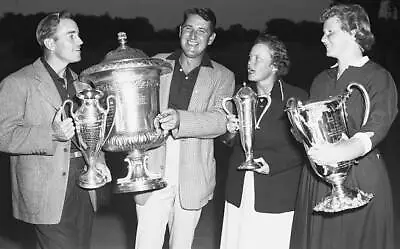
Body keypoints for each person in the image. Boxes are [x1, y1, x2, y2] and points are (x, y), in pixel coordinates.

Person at [289, 4, 397, 249]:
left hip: (361, 176)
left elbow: (379, 123)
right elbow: (310, 129)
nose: (322, 38)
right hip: (317, 179)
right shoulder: (321, 80)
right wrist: (298, 128)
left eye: (330, 32)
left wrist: (345, 150)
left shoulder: (378, 76)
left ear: (354, 32)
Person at [0, 11, 108, 249]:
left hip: (83, 187)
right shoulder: (17, 83)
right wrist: (51, 134)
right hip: (44, 192)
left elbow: (91, 131)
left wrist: (99, 160)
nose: (80, 41)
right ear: (50, 43)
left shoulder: (83, 84)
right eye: (71, 36)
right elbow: (3, 135)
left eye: (78, 35)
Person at [132, 7, 235, 249]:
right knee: (146, 243)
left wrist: (180, 120)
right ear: (180, 31)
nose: (193, 36)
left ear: (211, 38)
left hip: (194, 173)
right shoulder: (156, 63)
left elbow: (220, 120)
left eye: (202, 31)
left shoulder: (223, 76)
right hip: (152, 166)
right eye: (188, 28)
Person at [219, 34, 308, 249]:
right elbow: (227, 144)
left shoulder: (295, 97)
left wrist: (273, 164)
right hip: (239, 192)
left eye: (258, 59)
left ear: (275, 65)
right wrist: (229, 132)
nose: (250, 63)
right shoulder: (239, 95)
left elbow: (306, 148)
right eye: (250, 58)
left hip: (277, 194)